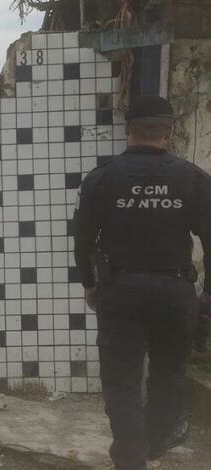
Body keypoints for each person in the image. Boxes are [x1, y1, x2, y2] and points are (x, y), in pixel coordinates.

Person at [73, 95, 211, 470]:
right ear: (169, 129)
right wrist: (207, 296)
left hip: (120, 291)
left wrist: (89, 283)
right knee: (169, 374)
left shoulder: (102, 178)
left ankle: (130, 459)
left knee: (121, 381)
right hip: (175, 291)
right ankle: (154, 441)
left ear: (128, 128)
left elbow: (83, 240)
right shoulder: (194, 179)